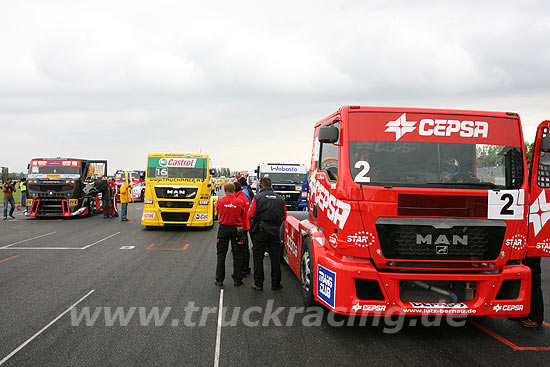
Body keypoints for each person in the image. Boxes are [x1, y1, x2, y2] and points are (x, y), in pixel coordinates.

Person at [247, 176, 287, 291]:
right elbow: (284, 216)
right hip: (274, 232)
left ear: (261, 186)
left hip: (260, 231)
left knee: (258, 258)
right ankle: (276, 283)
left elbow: (250, 214)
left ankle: (258, 284)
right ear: (271, 186)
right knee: (275, 258)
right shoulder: (280, 199)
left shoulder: (257, 197)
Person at [215, 182, 246, 287]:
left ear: (224, 190)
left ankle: (219, 279)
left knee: (221, 255)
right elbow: (242, 213)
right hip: (236, 229)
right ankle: (237, 279)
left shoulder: (220, 201)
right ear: (234, 190)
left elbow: (218, 211)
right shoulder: (240, 202)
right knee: (238, 255)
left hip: (223, 229)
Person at [520, 257, 545, 327]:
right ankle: (523, 313)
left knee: (533, 282)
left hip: (532, 254)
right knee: (523, 281)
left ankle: (536, 317)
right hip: (523, 252)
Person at [235, 181, 251, 277]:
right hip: (246, 225)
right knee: (245, 248)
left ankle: (243, 269)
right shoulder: (244, 197)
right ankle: (246, 268)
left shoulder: (239, 199)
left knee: (241, 249)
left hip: (241, 226)